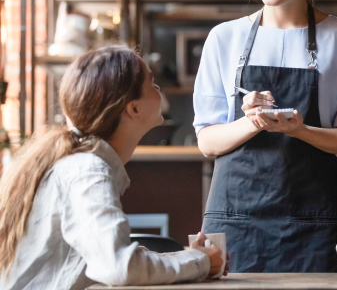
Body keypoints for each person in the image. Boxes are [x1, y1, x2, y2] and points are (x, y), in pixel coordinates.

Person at [194, 0, 337, 273]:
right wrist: (252, 122)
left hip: (314, 222)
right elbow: (208, 141)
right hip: (234, 221)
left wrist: (299, 130)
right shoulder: (223, 38)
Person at [0, 46, 228, 290]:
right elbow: (119, 266)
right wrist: (198, 262)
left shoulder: (79, 164)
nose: (158, 88)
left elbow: (100, 263)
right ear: (134, 109)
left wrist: (189, 259)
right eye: (151, 83)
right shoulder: (87, 171)